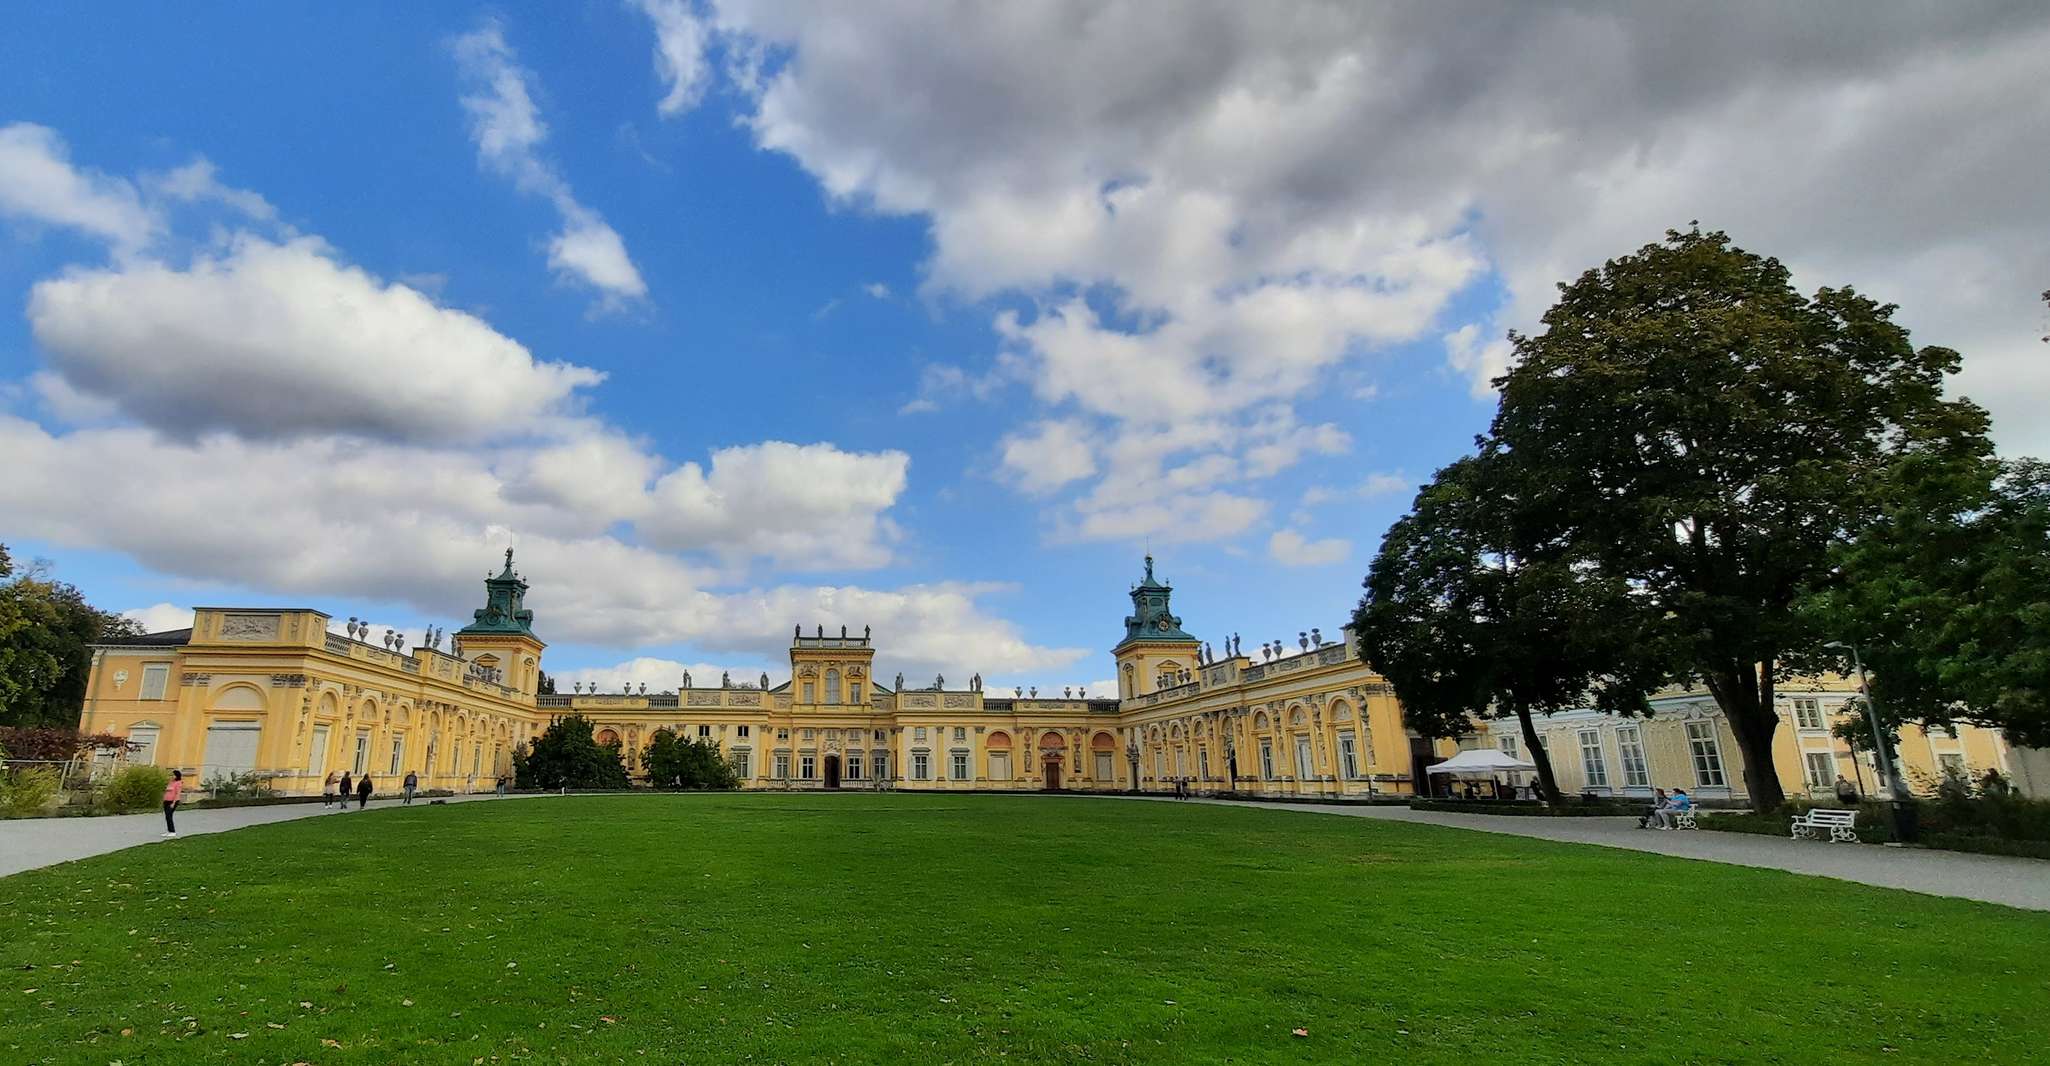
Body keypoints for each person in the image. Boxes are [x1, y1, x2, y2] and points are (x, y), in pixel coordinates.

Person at [161, 769, 184, 838]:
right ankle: (169, 831)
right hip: (166, 801)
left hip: (173, 801)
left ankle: (173, 831)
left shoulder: (179, 783)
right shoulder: (171, 782)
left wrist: (173, 803)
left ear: (177, 775)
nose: (171, 776)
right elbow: (167, 791)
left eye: (173, 775)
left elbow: (177, 794)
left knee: (169, 815)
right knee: (167, 816)